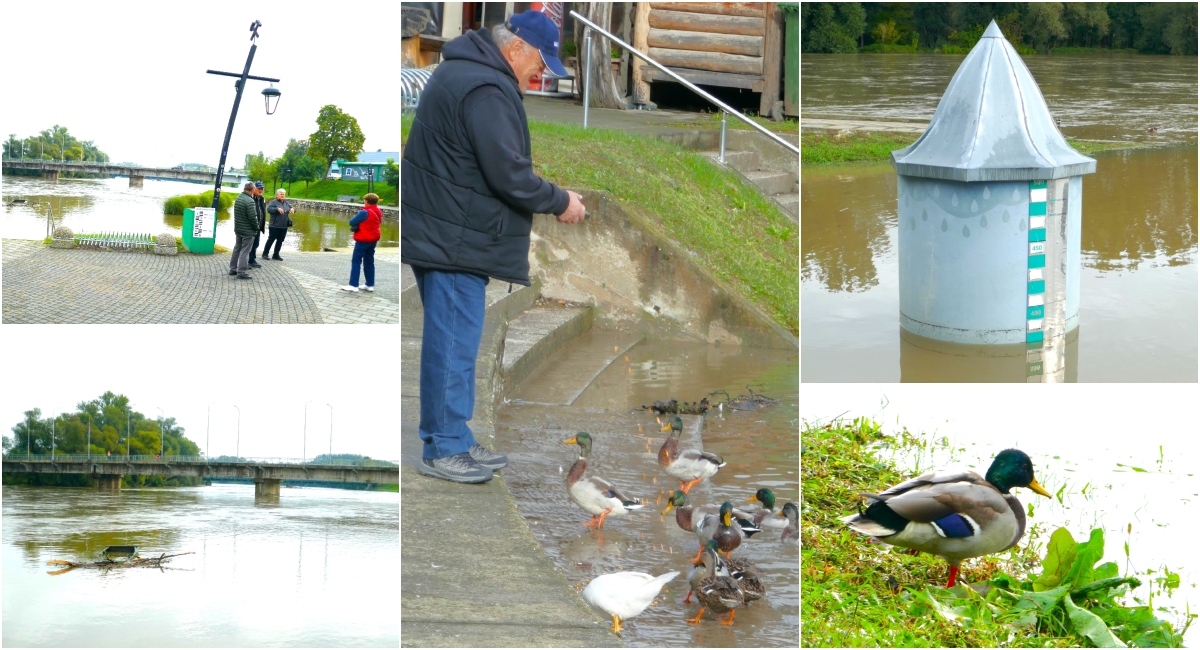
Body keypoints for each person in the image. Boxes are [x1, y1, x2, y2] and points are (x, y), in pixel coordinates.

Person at [401, 10, 586, 484]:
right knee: (452, 345)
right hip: (453, 237)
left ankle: (455, 437)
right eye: (540, 64)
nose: (541, 74)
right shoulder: (485, 88)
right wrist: (561, 200)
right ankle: (443, 447)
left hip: (452, 231)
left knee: (460, 342)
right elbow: (510, 175)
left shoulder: (470, 73)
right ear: (516, 48)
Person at [343, 193, 382, 292]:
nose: (364, 202)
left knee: (356, 261)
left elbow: (351, 222)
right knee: (369, 261)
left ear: (367, 201)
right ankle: (370, 285)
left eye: (365, 200)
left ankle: (353, 285)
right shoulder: (378, 211)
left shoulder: (364, 212)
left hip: (363, 239)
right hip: (373, 239)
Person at [228, 181, 258, 280]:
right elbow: (252, 218)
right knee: (245, 251)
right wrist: (256, 227)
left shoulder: (238, 198)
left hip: (238, 229)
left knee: (237, 248)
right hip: (247, 231)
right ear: (253, 189)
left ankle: (232, 269)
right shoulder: (250, 201)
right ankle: (241, 272)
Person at [263, 188, 294, 260]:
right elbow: (269, 209)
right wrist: (277, 209)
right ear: (277, 195)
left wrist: (293, 209)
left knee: (280, 240)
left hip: (284, 226)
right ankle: (265, 254)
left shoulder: (286, 203)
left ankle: (276, 255)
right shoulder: (273, 202)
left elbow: (292, 208)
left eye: (283, 194)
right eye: (281, 194)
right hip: (274, 225)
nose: (282, 195)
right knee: (271, 239)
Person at [247, 181, 266, 267]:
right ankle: (244, 261)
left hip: (258, 227)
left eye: (262, 188)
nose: (261, 190)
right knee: (248, 245)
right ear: (254, 189)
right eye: (259, 188)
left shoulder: (262, 199)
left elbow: (262, 212)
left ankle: (252, 260)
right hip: (250, 227)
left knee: (256, 244)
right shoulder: (250, 199)